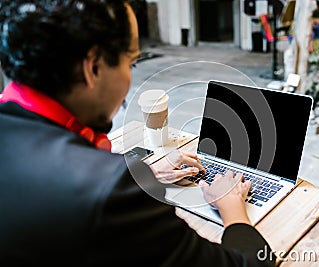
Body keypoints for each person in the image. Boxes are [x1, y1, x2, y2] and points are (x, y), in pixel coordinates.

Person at [0, 1, 276, 266]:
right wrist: (232, 208)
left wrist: (146, 173)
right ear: (93, 66)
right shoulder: (112, 192)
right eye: (131, 62)